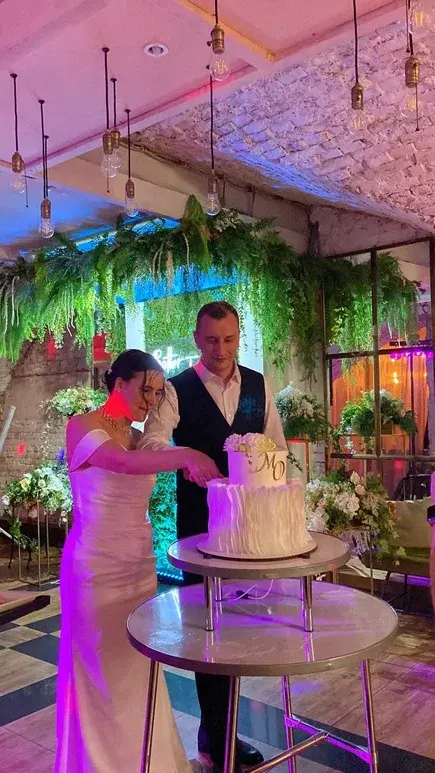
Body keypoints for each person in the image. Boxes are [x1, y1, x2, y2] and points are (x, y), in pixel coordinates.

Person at [54, 349, 221, 773]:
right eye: (145, 390)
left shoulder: (141, 437)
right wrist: (186, 455)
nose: (151, 401)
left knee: (138, 670)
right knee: (99, 670)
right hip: (95, 567)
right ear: (119, 383)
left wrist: (186, 463)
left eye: (158, 393)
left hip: (138, 566)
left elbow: (145, 457)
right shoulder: (82, 426)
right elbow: (123, 464)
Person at [143, 301, 287, 772]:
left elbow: (277, 449)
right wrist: (185, 455)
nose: (220, 350)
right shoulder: (177, 389)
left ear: (239, 336)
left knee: (240, 632)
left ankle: (222, 733)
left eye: (228, 339)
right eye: (210, 340)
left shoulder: (259, 385)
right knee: (209, 634)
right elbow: (151, 443)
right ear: (195, 338)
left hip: (251, 532)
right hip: (199, 531)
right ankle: (216, 736)